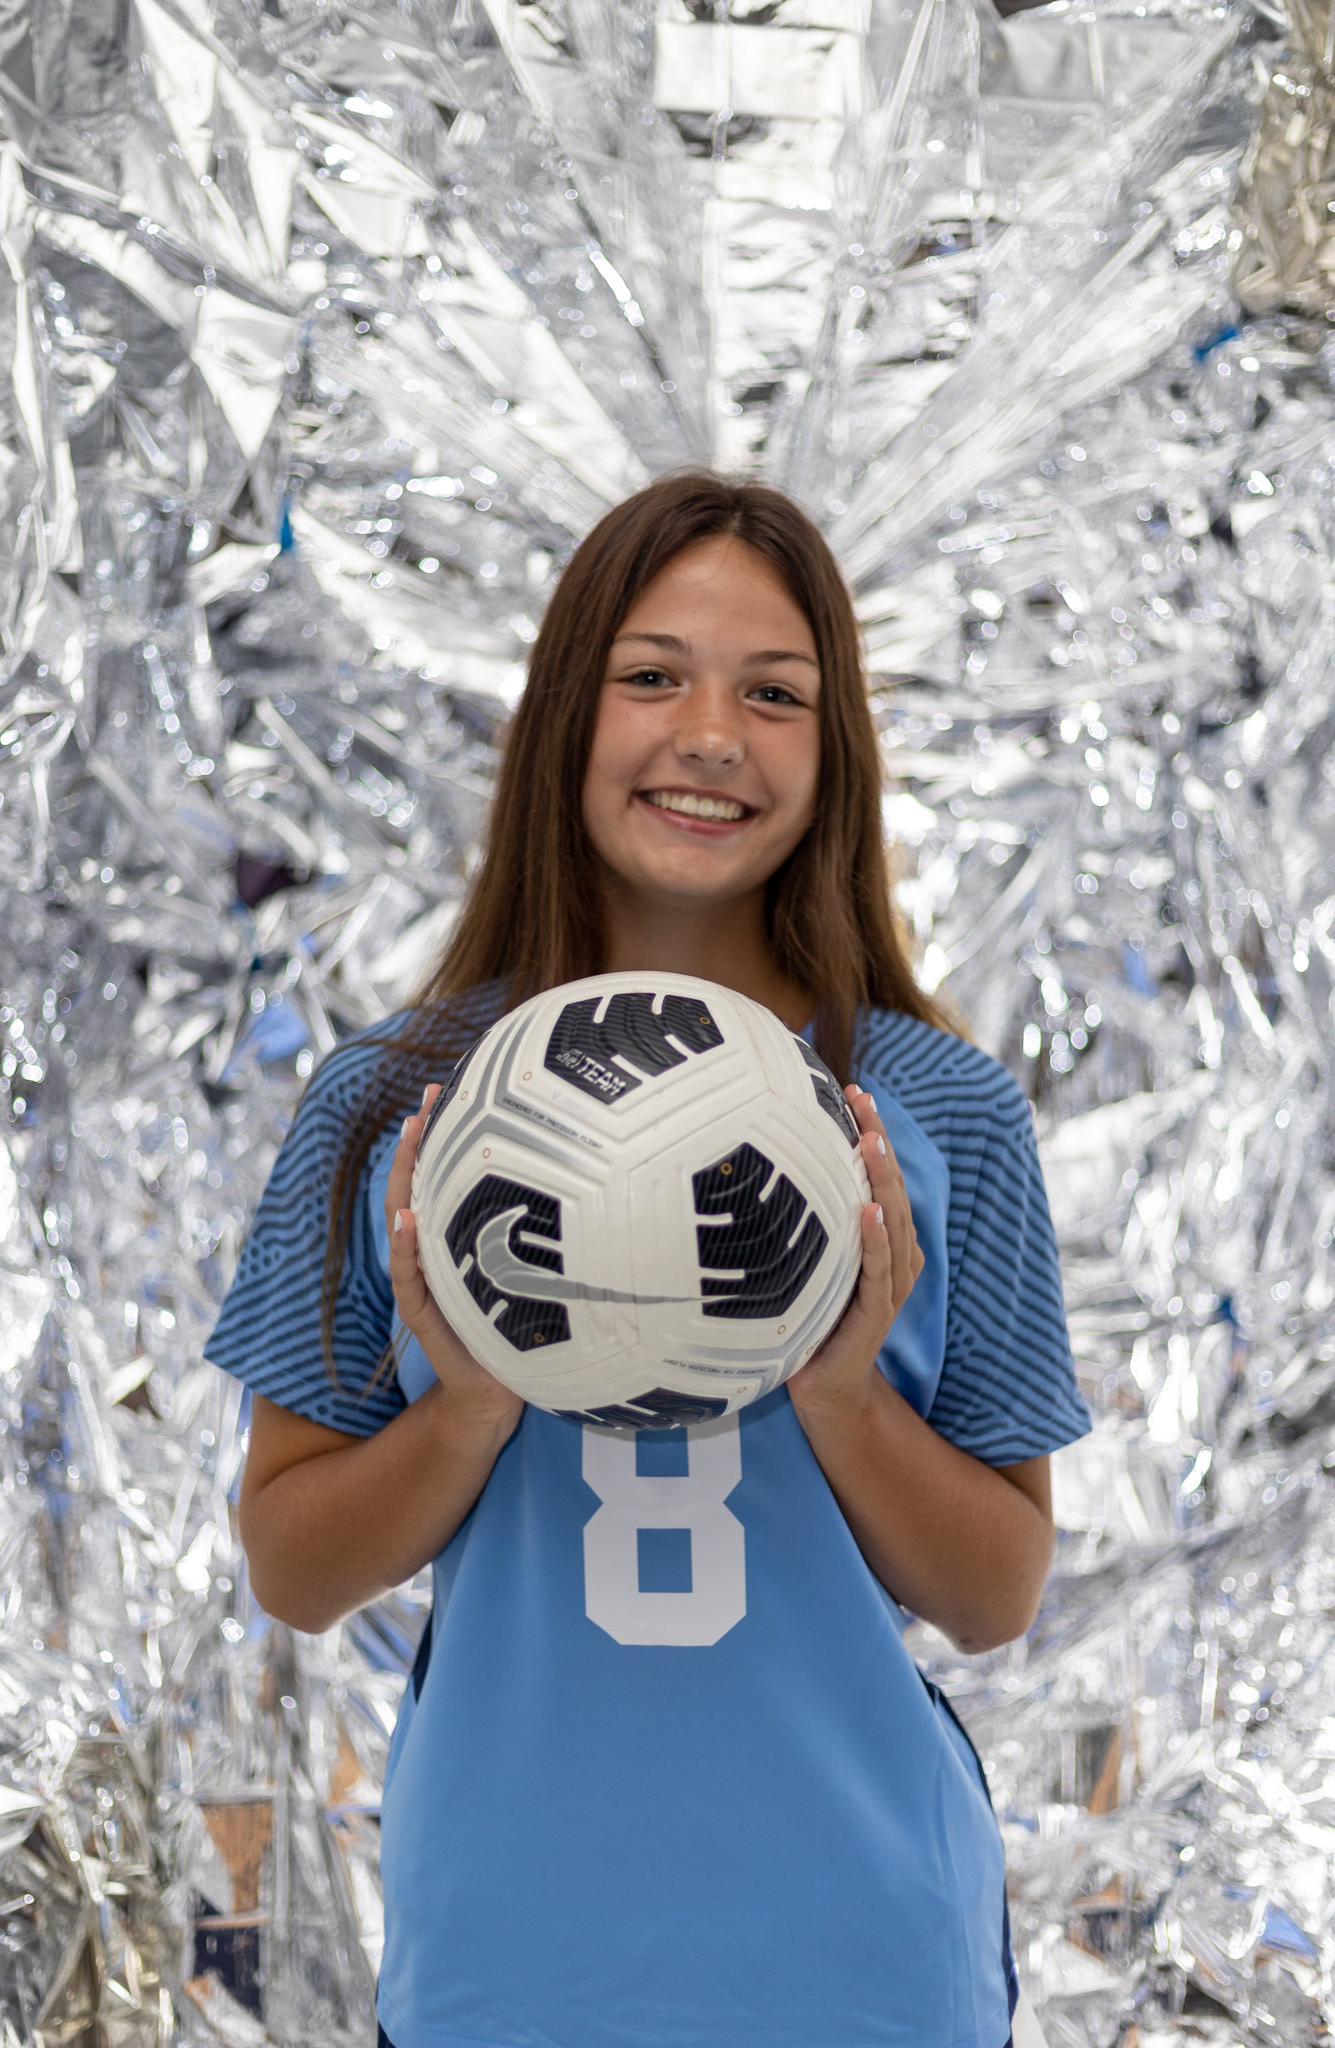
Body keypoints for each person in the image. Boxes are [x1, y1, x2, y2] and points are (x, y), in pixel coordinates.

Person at [204, 471, 1093, 2048]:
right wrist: (468, 1399)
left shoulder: (939, 1109)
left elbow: (996, 1593)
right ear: (563, 714)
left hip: (861, 1968)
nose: (709, 735)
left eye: (774, 692)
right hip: (511, 1971)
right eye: (650, 675)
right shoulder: (388, 1107)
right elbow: (293, 1566)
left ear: (835, 756)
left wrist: (841, 1390)